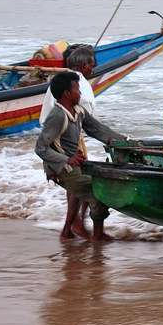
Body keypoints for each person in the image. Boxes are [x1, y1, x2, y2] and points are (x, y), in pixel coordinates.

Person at [34, 71, 126, 240]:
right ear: (67, 94)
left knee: (92, 187)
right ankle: (97, 236)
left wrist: (124, 141)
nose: (80, 93)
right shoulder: (57, 116)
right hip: (60, 168)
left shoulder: (78, 110)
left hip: (74, 165)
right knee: (99, 192)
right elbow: (40, 148)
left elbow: (97, 129)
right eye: (77, 89)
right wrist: (67, 159)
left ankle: (69, 231)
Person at [40, 44, 98, 239]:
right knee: (80, 184)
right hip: (65, 139)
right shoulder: (78, 84)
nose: (93, 69)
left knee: (76, 184)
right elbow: (88, 117)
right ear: (83, 65)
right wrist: (64, 159)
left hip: (62, 136)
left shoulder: (61, 81)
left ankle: (72, 226)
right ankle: (78, 225)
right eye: (91, 65)